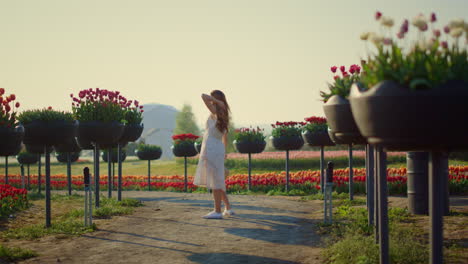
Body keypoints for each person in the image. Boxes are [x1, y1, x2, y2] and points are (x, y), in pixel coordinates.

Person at [194, 90, 234, 219]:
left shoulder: (216, 110)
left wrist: (216, 101)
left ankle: (217, 211)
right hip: (217, 147)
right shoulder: (224, 113)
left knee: (215, 179)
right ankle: (228, 208)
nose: (210, 100)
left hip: (212, 147)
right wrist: (224, 151)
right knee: (217, 178)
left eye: (213, 98)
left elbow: (202, 96)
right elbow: (225, 137)